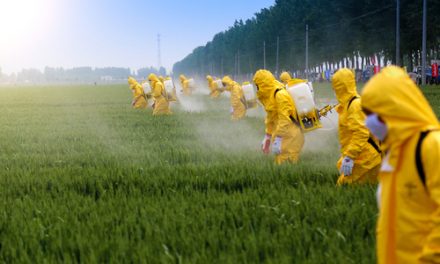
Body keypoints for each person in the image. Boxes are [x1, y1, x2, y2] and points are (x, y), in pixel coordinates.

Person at [361, 66, 440, 264]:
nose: (368, 122)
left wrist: (430, 258)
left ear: (394, 109)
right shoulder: (393, 153)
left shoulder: (432, 146)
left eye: (373, 114)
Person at [331, 68, 381, 185]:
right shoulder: (348, 104)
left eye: (336, 86)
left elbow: (361, 133)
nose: (333, 89)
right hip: (362, 157)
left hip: (366, 160)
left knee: (344, 188)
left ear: (342, 86)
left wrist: (349, 157)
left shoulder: (354, 105)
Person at [253, 69, 304, 164]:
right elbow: (270, 117)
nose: (256, 88)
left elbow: (285, 119)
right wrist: (267, 136)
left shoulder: (280, 95)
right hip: (284, 135)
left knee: (286, 166)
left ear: (262, 84)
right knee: (280, 164)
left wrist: (278, 138)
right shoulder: (270, 95)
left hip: (291, 136)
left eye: (257, 85)